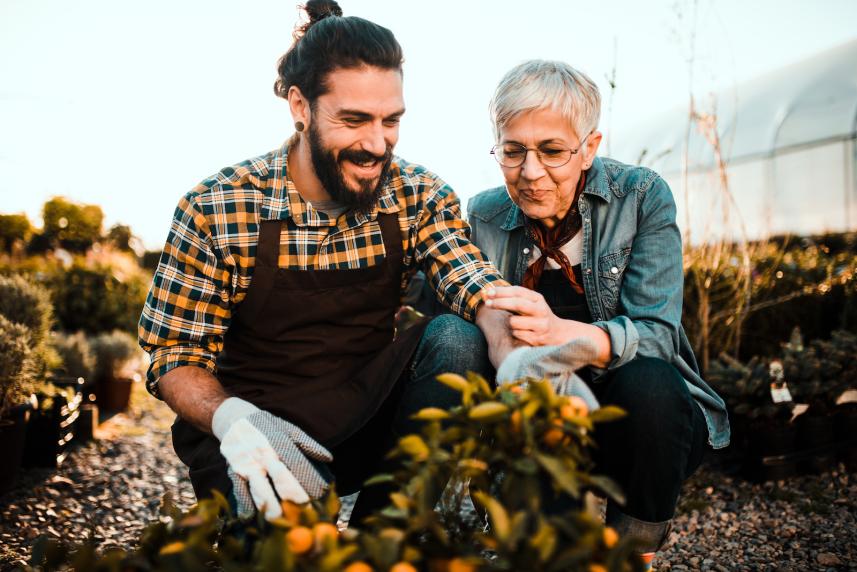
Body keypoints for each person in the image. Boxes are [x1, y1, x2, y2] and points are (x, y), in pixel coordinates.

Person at [138, 0, 514, 526]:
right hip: (254, 427)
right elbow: (173, 354)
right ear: (300, 106)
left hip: (363, 414)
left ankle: (387, 537)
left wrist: (508, 342)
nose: (376, 144)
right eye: (354, 120)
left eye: (391, 121)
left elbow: (472, 282)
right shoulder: (218, 207)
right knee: (278, 559)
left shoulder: (416, 194)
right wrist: (230, 419)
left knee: (459, 337)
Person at [469, 60, 730, 568]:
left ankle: (632, 555)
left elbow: (657, 334)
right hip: (538, 411)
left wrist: (560, 333)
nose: (530, 172)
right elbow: (449, 305)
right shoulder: (482, 215)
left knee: (651, 385)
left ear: (589, 147)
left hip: (637, 420)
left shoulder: (640, 197)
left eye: (552, 151)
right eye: (513, 150)